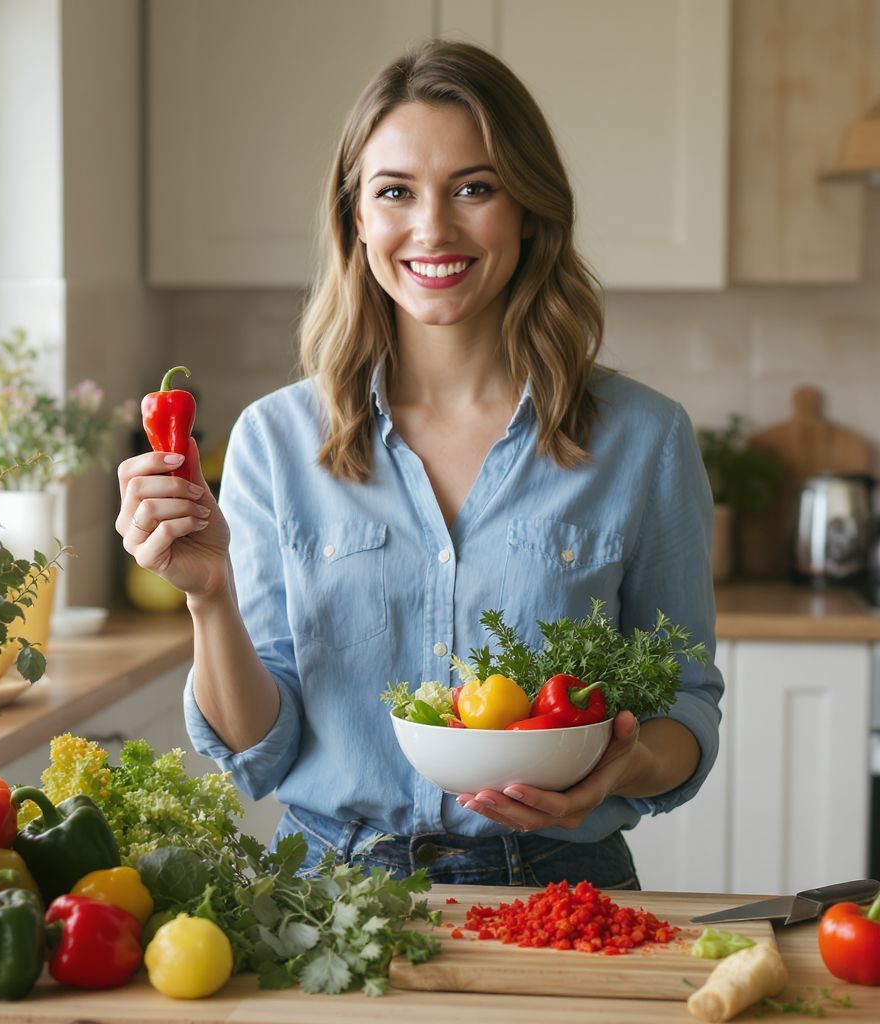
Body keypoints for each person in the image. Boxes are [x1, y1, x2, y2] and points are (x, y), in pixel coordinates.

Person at [116, 39, 723, 889]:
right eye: (395, 191)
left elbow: (687, 708)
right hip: (332, 890)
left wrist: (615, 770)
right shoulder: (274, 443)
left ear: (529, 211)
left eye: (475, 188)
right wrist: (207, 595)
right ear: (357, 218)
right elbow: (260, 747)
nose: (433, 228)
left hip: (560, 888)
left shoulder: (644, 439)